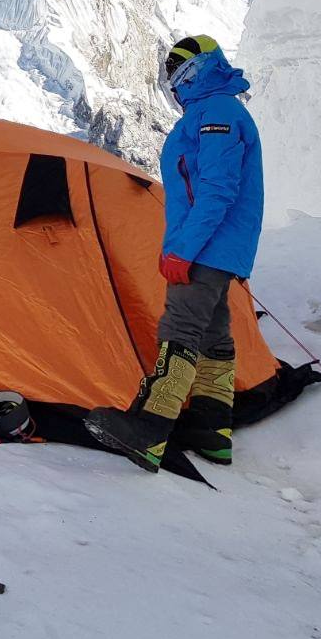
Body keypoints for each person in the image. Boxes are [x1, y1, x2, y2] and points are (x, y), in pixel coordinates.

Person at [86, 35, 264, 472]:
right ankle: (212, 429)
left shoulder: (217, 113)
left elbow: (217, 190)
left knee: (180, 327)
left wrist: (183, 250)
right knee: (213, 335)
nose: (175, 81)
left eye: (183, 71)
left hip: (207, 245)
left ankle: (150, 429)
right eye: (171, 75)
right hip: (216, 247)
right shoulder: (212, 111)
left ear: (204, 68)